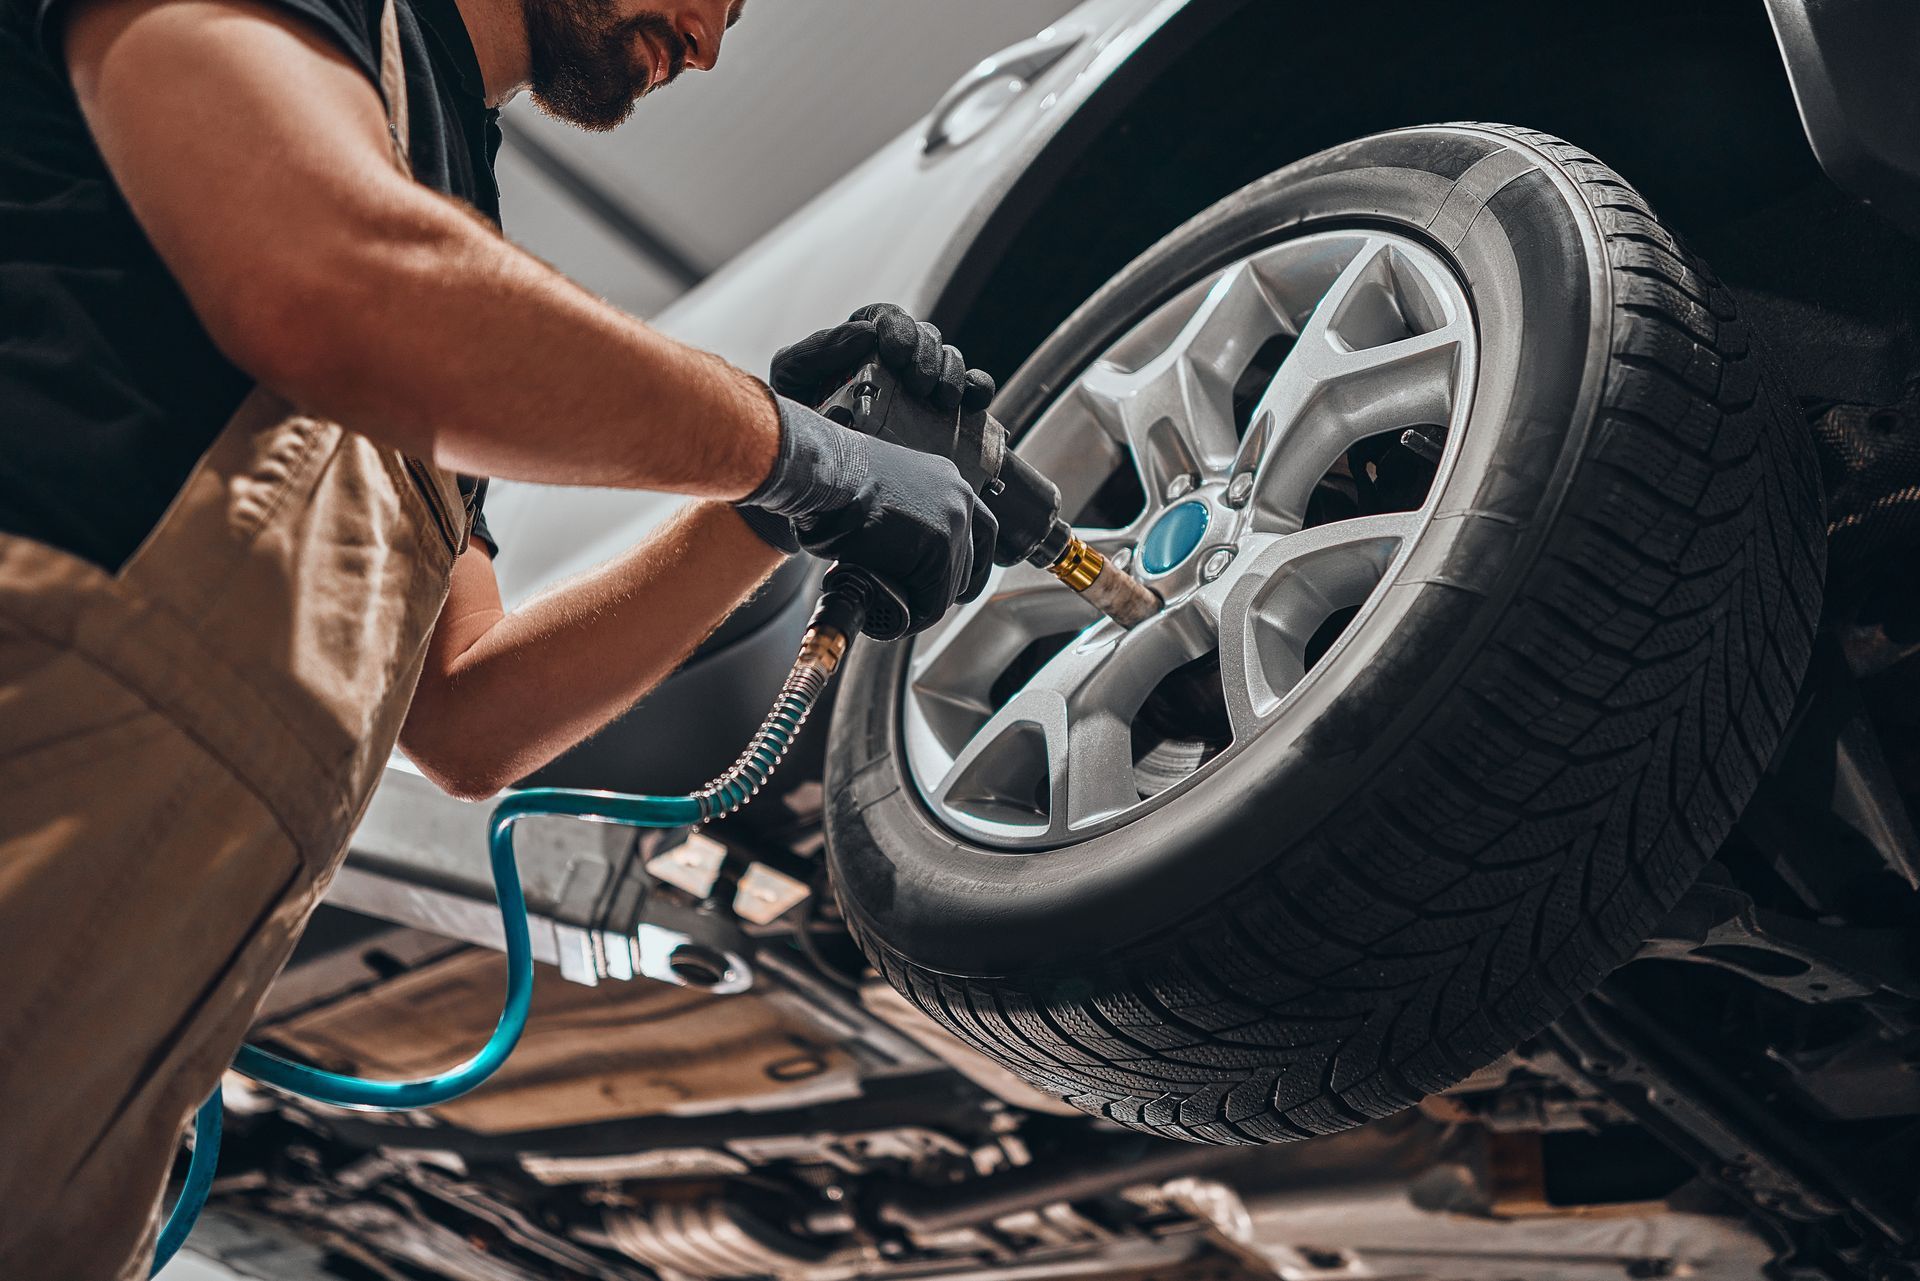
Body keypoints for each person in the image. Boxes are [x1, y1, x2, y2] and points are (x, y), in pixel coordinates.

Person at [0, 0, 999, 1269]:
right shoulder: (381, 189)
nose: (706, 44)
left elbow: (466, 717)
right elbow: (332, 280)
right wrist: (796, 452)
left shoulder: (448, 199)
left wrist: (766, 515)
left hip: (130, 1005)